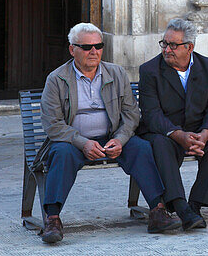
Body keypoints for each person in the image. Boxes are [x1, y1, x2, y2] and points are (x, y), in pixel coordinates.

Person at [37, 22, 181, 243]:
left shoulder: (116, 73)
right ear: (71, 49)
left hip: (112, 137)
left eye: (98, 46)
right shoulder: (57, 79)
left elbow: (131, 114)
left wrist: (120, 139)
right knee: (62, 154)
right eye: (86, 47)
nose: (94, 52)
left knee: (141, 148)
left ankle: (158, 211)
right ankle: (53, 219)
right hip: (73, 141)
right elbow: (52, 124)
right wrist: (82, 142)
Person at [137, 18, 208, 231]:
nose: (167, 49)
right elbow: (152, 114)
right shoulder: (150, 70)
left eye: (173, 45)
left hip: (199, 132)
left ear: (189, 47)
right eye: (164, 43)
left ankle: (195, 205)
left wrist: (205, 135)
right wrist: (179, 135)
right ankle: (180, 207)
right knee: (160, 144)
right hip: (165, 132)